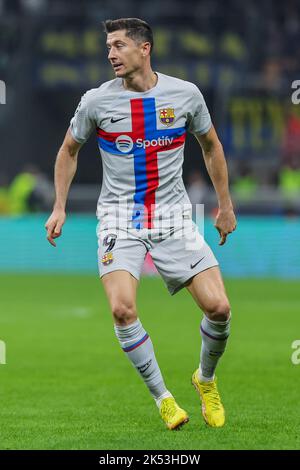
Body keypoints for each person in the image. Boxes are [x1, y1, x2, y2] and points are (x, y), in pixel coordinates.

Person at [45, 18, 237, 431]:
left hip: (173, 218)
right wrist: (59, 206)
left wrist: (225, 205)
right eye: (108, 46)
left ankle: (205, 379)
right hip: (119, 218)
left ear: (144, 48)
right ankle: (164, 399)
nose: (110, 53)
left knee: (219, 308)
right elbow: (68, 150)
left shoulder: (185, 95)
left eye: (118, 45)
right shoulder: (96, 101)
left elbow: (211, 145)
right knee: (121, 308)